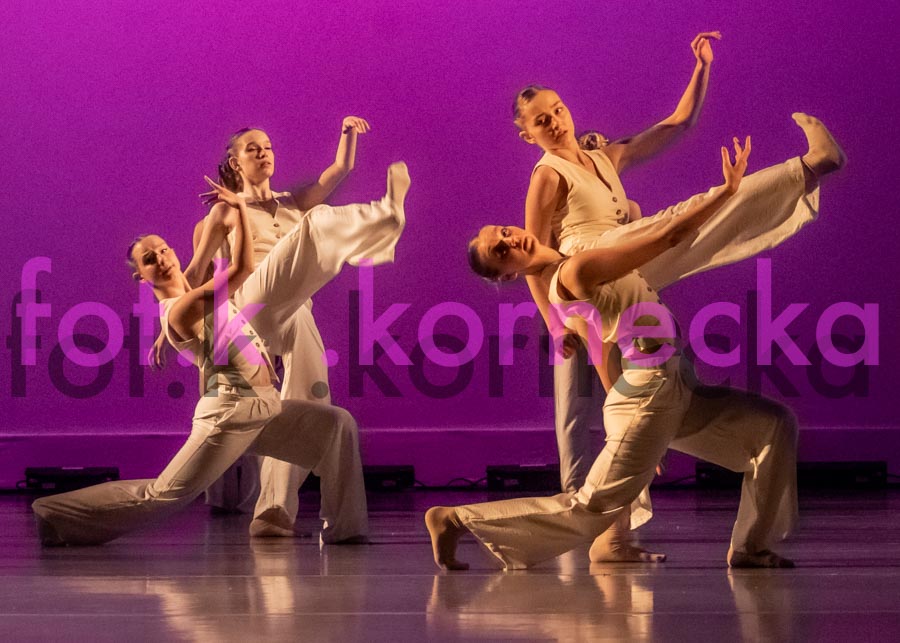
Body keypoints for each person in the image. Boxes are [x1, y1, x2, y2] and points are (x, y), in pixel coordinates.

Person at [427, 125, 841, 571]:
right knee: (589, 507)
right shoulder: (575, 271)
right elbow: (666, 238)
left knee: (774, 426)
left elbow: (601, 351)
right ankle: (454, 519)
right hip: (650, 396)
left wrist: (625, 423)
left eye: (505, 232)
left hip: (669, 390)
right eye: (502, 251)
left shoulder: (567, 273)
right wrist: (726, 192)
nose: (511, 240)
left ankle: (750, 547)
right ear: (509, 274)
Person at [514, 32, 844, 560]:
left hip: (624, 262)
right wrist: (555, 323)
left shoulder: (605, 157)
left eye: (557, 110)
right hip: (586, 271)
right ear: (527, 134)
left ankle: (616, 538)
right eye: (541, 120)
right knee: (679, 223)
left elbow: (677, 124)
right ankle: (594, 531)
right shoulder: (547, 174)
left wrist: (701, 67)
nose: (554, 121)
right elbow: (532, 255)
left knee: (697, 226)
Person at [31, 163, 410, 546]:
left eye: (163, 250)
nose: (162, 258)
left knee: (337, 425)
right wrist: (240, 209)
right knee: (161, 495)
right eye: (150, 259)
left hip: (263, 407)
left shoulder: (192, 300)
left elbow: (230, 318)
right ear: (140, 277)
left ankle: (346, 530)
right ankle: (54, 513)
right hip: (228, 416)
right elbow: (241, 269)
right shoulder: (181, 309)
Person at [161, 119, 374, 539]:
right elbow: (195, 275)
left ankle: (274, 509)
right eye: (253, 148)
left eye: (268, 146)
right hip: (250, 308)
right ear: (234, 162)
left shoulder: (294, 204)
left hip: (293, 311)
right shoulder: (223, 212)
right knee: (317, 225)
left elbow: (339, 170)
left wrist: (347, 132)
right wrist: (168, 320)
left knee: (308, 401)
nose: (263, 153)